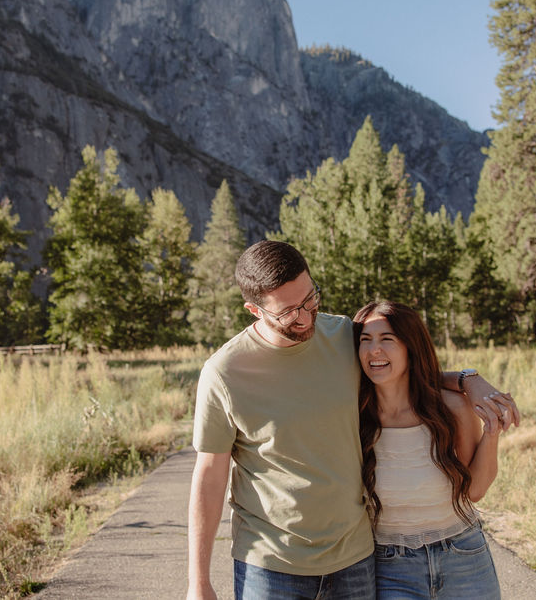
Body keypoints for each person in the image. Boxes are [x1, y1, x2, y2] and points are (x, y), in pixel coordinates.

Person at [188, 240, 519, 600]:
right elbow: (209, 476)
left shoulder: (342, 336)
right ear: (254, 309)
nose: (305, 316)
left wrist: (470, 380)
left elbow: (403, 368)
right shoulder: (224, 373)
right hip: (271, 565)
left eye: (310, 299)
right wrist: (199, 581)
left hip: (355, 560)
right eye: (288, 312)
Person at [354, 300, 506, 599]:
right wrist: (465, 377)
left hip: (463, 555)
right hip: (390, 566)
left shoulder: (452, 407)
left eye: (387, 339)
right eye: (365, 340)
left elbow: (474, 491)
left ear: (411, 347)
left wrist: (491, 433)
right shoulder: (353, 415)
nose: (374, 351)